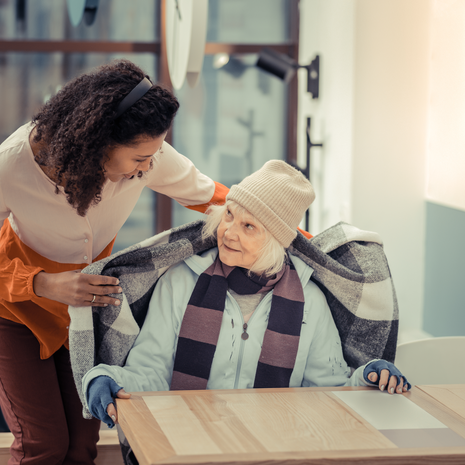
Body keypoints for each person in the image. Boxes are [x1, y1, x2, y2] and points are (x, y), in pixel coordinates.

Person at [0, 59, 230, 465]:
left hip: (84, 317)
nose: (149, 166)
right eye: (140, 158)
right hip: (15, 312)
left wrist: (286, 228)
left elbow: (213, 196)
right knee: (45, 446)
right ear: (97, 142)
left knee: (81, 448)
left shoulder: (148, 155)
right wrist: (44, 284)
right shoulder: (12, 165)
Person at [82, 160, 410, 431]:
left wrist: (368, 376)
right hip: (188, 438)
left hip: (275, 445)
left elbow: (326, 388)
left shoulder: (310, 299)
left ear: (275, 241)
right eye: (229, 215)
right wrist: (105, 376)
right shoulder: (180, 282)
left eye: (249, 226)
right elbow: (150, 371)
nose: (229, 232)